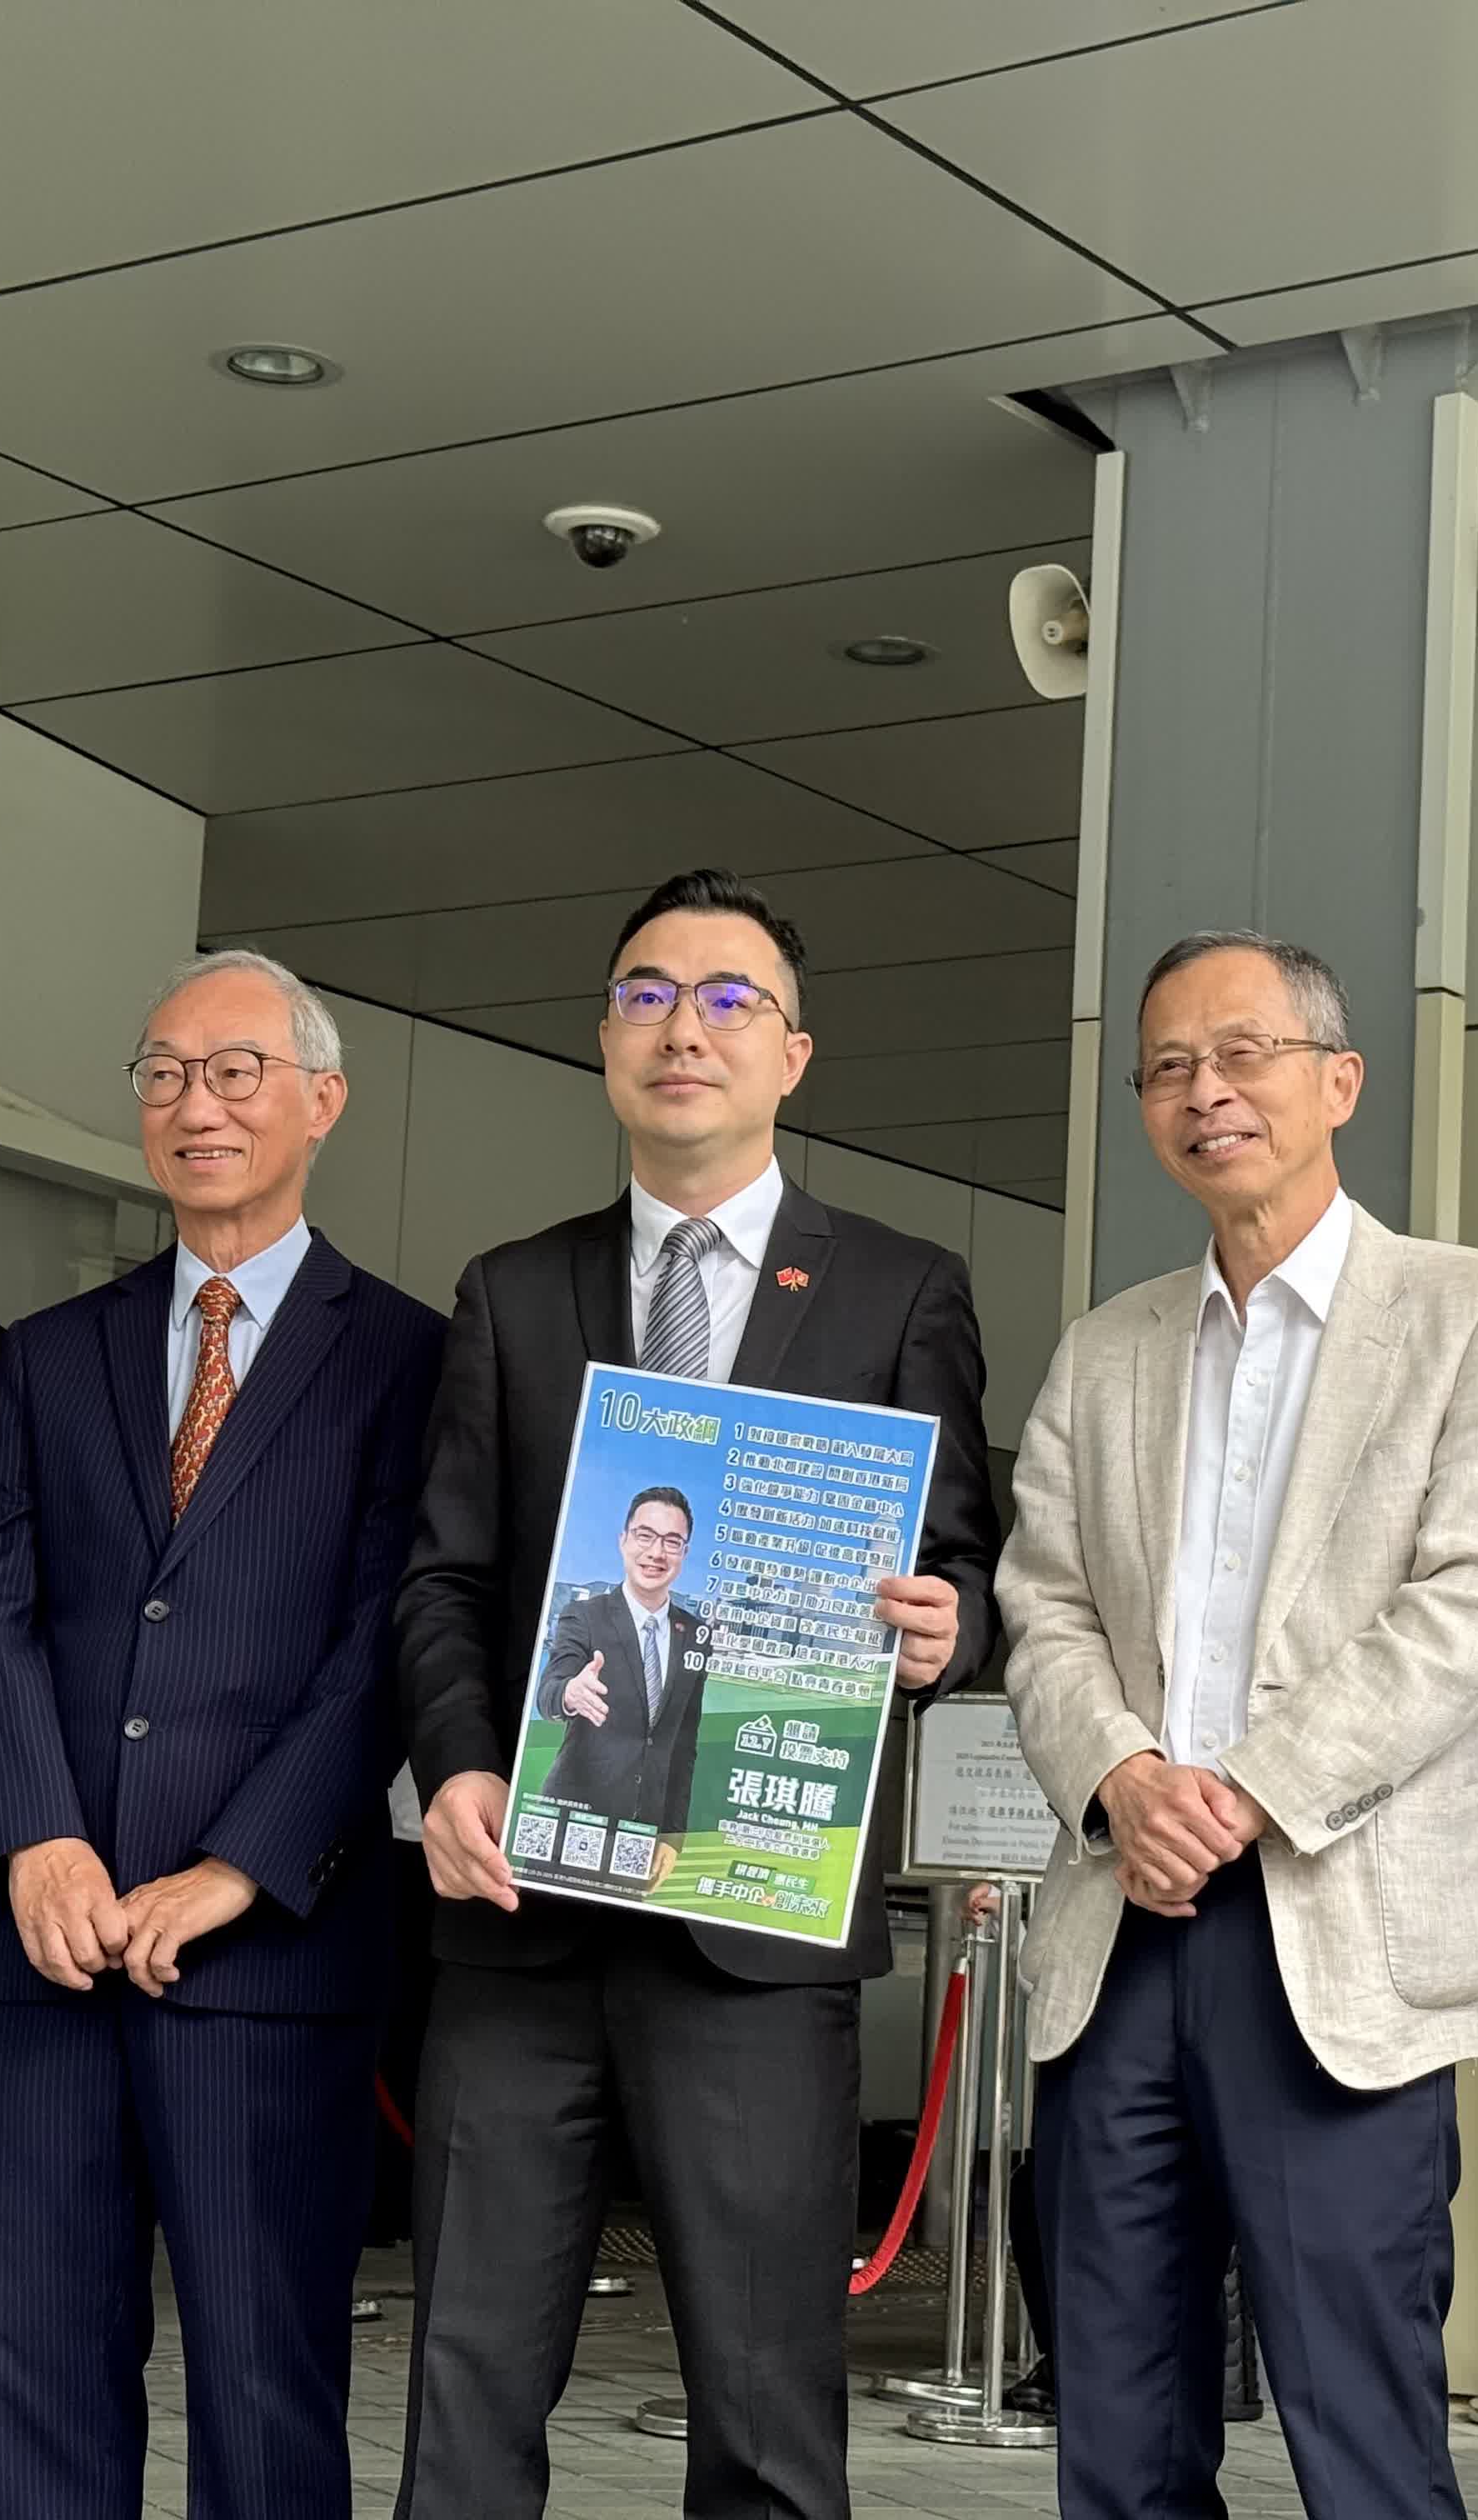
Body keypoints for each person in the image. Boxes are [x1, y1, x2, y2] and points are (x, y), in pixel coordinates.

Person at [393, 867, 1003, 2520]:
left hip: (753, 1935)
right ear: (605, 1039)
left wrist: (948, 1626)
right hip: (519, 1918)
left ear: (792, 1053)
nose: (685, 1028)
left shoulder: (898, 1287)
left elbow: (966, 1560)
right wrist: (456, 1765)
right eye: (648, 995)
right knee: (465, 2386)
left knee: (765, 2404)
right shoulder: (513, 1289)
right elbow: (444, 1576)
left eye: (730, 1000)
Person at [996, 931, 1478, 2520]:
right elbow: (1043, 1600)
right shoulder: (1105, 1347)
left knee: (1357, 2420)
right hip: (1121, 1926)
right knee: (1115, 2413)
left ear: (1338, 1080)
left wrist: (1239, 1790)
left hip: (1338, 1926)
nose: (1206, 1092)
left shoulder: (1472, 1313)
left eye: (1242, 1053)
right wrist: (1120, 1776)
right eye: (1168, 1066)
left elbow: (1466, 1604)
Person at [0, 950, 443, 2520]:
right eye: (163, 1074)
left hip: (270, 1952)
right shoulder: (49, 1350)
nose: (195, 1105)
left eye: (235, 1072)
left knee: (262, 2372)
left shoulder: (409, 1355)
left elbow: (390, 1636)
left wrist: (238, 1864)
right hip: (52, 1938)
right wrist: (38, 1837)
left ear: (322, 1099)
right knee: (41, 2358)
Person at [533, 1485, 708, 1843]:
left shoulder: (696, 1635)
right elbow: (549, 1693)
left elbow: (684, 1743)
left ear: (685, 1552)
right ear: (623, 1540)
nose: (656, 1552)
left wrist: (673, 1836)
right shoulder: (583, 1616)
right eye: (645, 1536)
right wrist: (570, 1693)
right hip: (570, 1823)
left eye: (672, 1542)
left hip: (642, 1832)